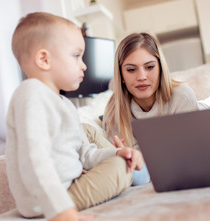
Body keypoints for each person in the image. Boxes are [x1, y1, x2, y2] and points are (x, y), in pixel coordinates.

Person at [6, 12, 144, 221]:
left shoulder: (65, 104)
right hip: (45, 202)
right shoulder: (30, 94)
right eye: (76, 56)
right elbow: (33, 158)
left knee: (120, 160)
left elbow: (86, 153)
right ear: (44, 59)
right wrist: (58, 208)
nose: (84, 66)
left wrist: (117, 151)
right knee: (121, 170)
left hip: (68, 184)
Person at [84, 33, 199, 185]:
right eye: (131, 70)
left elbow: (192, 155)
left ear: (160, 68)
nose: (142, 76)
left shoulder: (182, 96)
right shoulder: (115, 108)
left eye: (150, 67)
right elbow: (129, 163)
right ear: (122, 75)